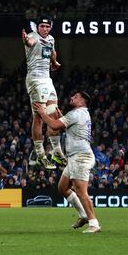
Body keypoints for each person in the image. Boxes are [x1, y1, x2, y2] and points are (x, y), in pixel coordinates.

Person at [34, 92, 101, 233]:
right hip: (75, 157)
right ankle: (83, 214)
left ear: (83, 101)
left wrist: (42, 113)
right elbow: (66, 126)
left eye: (76, 97)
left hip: (81, 157)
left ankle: (94, 223)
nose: (72, 98)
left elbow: (53, 125)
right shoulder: (82, 114)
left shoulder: (75, 114)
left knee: (81, 191)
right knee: (63, 187)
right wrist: (61, 117)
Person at [22, 16, 64, 170]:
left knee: (53, 114)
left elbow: (52, 51)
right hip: (35, 80)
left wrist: (54, 62)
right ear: (37, 27)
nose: (44, 29)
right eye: (42, 26)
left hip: (47, 80)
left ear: (50, 27)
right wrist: (26, 40)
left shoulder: (51, 39)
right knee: (39, 117)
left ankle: (56, 152)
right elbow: (30, 42)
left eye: (47, 26)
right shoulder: (33, 36)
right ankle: (40, 155)